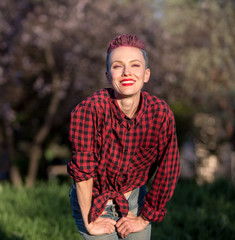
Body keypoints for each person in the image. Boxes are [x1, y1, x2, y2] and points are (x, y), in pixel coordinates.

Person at [67, 34, 180, 240]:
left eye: (135, 65)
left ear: (146, 74)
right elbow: (83, 174)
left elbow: (169, 167)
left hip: (135, 199)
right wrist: (90, 222)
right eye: (117, 66)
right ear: (108, 76)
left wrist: (146, 217)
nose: (127, 72)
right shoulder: (89, 110)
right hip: (92, 201)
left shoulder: (160, 114)